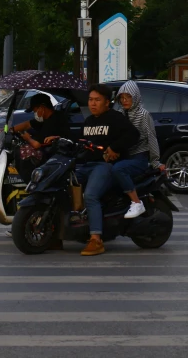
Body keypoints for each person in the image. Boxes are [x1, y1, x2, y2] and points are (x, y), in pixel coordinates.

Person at [77, 83, 139, 257]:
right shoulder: (88, 121)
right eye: (90, 100)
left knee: (90, 195)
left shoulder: (115, 118)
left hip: (105, 166)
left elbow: (134, 135)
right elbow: (81, 143)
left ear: (107, 102)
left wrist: (114, 148)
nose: (93, 104)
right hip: (86, 165)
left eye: (97, 100)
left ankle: (96, 239)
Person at [112, 80, 166, 219]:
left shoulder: (143, 115)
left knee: (119, 169)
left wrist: (155, 161)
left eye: (128, 97)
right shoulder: (119, 113)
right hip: (123, 156)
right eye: (122, 98)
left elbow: (151, 137)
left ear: (135, 96)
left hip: (139, 157)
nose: (124, 101)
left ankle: (136, 202)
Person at [10, 92, 71, 183]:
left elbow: (37, 144)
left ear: (42, 108)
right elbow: (27, 124)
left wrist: (27, 138)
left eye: (35, 111)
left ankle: (31, 182)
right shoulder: (45, 118)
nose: (35, 114)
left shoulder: (55, 121)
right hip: (48, 152)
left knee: (24, 152)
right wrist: (10, 130)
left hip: (56, 155)